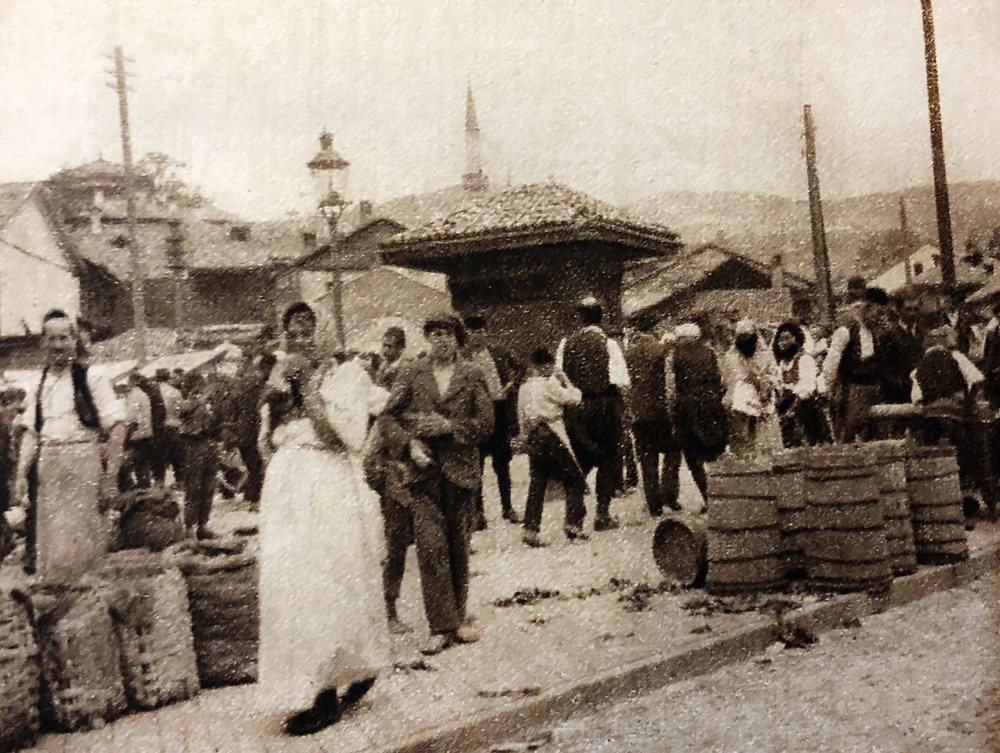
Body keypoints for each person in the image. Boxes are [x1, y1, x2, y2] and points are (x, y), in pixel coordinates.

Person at [258, 303, 391, 736]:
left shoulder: (345, 375)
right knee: (290, 583)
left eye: (308, 331)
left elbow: (345, 438)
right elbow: (264, 441)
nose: (301, 340)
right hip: (289, 482)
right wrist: (279, 399)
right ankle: (337, 675)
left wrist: (309, 394)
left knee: (328, 580)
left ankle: (326, 696)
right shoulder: (277, 377)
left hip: (327, 480)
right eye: (292, 332)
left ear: (324, 336)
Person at [385, 312, 493, 654]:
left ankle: (458, 619)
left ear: (457, 339)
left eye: (446, 334)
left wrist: (449, 428)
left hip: (461, 472)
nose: (440, 340)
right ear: (426, 339)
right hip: (424, 474)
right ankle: (440, 625)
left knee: (458, 548)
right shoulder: (410, 372)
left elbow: (487, 423)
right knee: (431, 549)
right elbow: (387, 416)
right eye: (433, 334)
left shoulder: (472, 374)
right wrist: (409, 445)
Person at [8, 310, 127, 583]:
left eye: (63, 338)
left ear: (74, 341)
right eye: (52, 339)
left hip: (83, 461)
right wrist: (20, 475)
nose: (58, 345)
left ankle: (87, 610)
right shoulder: (38, 383)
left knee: (83, 545)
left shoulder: (91, 377)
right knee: (52, 548)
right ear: (43, 343)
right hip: (49, 468)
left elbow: (117, 426)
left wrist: (110, 478)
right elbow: (31, 433)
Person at [557, 296, 631, 531]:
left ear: (580, 318)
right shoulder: (608, 344)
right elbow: (621, 380)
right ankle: (602, 515)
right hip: (604, 406)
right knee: (608, 461)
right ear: (601, 317)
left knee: (579, 462)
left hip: (577, 408)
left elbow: (559, 377)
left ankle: (573, 518)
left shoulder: (566, 343)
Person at [517, 347, 588, 547]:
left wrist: (526, 434)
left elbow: (520, 417)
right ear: (548, 365)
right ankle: (573, 524)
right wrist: (565, 379)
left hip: (533, 436)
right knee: (574, 479)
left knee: (537, 483)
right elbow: (574, 398)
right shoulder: (550, 383)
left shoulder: (524, 388)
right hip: (553, 433)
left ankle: (530, 529)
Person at [371, 325, 417, 634]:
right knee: (394, 539)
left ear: (401, 347)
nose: (387, 349)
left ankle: (389, 607)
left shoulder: (402, 373)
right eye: (384, 345)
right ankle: (388, 609)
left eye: (392, 345)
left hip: (399, 456)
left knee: (399, 538)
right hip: (385, 463)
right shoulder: (381, 373)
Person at [464, 315, 522, 528]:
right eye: (472, 333)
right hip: (477, 416)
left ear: (485, 333)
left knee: (502, 463)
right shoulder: (463, 358)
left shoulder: (498, 352)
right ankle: (478, 515)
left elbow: (519, 366)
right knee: (476, 466)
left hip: (498, 413)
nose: (477, 337)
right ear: (467, 335)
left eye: (480, 332)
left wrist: (510, 385)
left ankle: (508, 508)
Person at [662, 323, 728, 505]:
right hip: (712, 406)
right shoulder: (710, 352)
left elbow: (671, 389)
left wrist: (672, 412)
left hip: (687, 409)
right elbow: (721, 379)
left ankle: (708, 497)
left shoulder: (674, 356)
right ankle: (722, 495)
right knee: (714, 451)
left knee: (693, 457)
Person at [624, 312, 675, 516]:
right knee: (672, 452)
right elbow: (670, 382)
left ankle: (653, 503)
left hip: (639, 414)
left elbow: (626, 386)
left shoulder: (627, 354)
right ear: (653, 329)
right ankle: (669, 496)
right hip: (661, 411)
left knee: (647, 458)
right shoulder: (662, 350)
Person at [177, 369, 225, 539]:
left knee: (208, 486)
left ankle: (202, 525)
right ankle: (191, 526)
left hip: (208, 444)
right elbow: (184, 414)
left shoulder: (207, 401)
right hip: (195, 445)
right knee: (194, 487)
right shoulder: (190, 402)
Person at [720, 319, 780, 454]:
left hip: (763, 399)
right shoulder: (731, 358)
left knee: (764, 438)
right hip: (741, 404)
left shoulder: (765, 354)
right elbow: (727, 381)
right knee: (743, 437)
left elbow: (775, 374)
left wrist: (765, 384)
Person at [217, 346, 266, 509]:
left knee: (251, 464)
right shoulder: (253, 381)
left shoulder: (243, 382)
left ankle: (250, 495)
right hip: (251, 430)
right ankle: (253, 497)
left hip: (243, 430)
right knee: (254, 465)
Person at [772, 322, 831, 447]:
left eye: (787, 338)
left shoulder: (804, 360)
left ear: (797, 339)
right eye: (780, 339)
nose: (783, 343)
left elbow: (806, 389)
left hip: (806, 411)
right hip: (787, 409)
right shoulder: (781, 365)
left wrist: (792, 407)